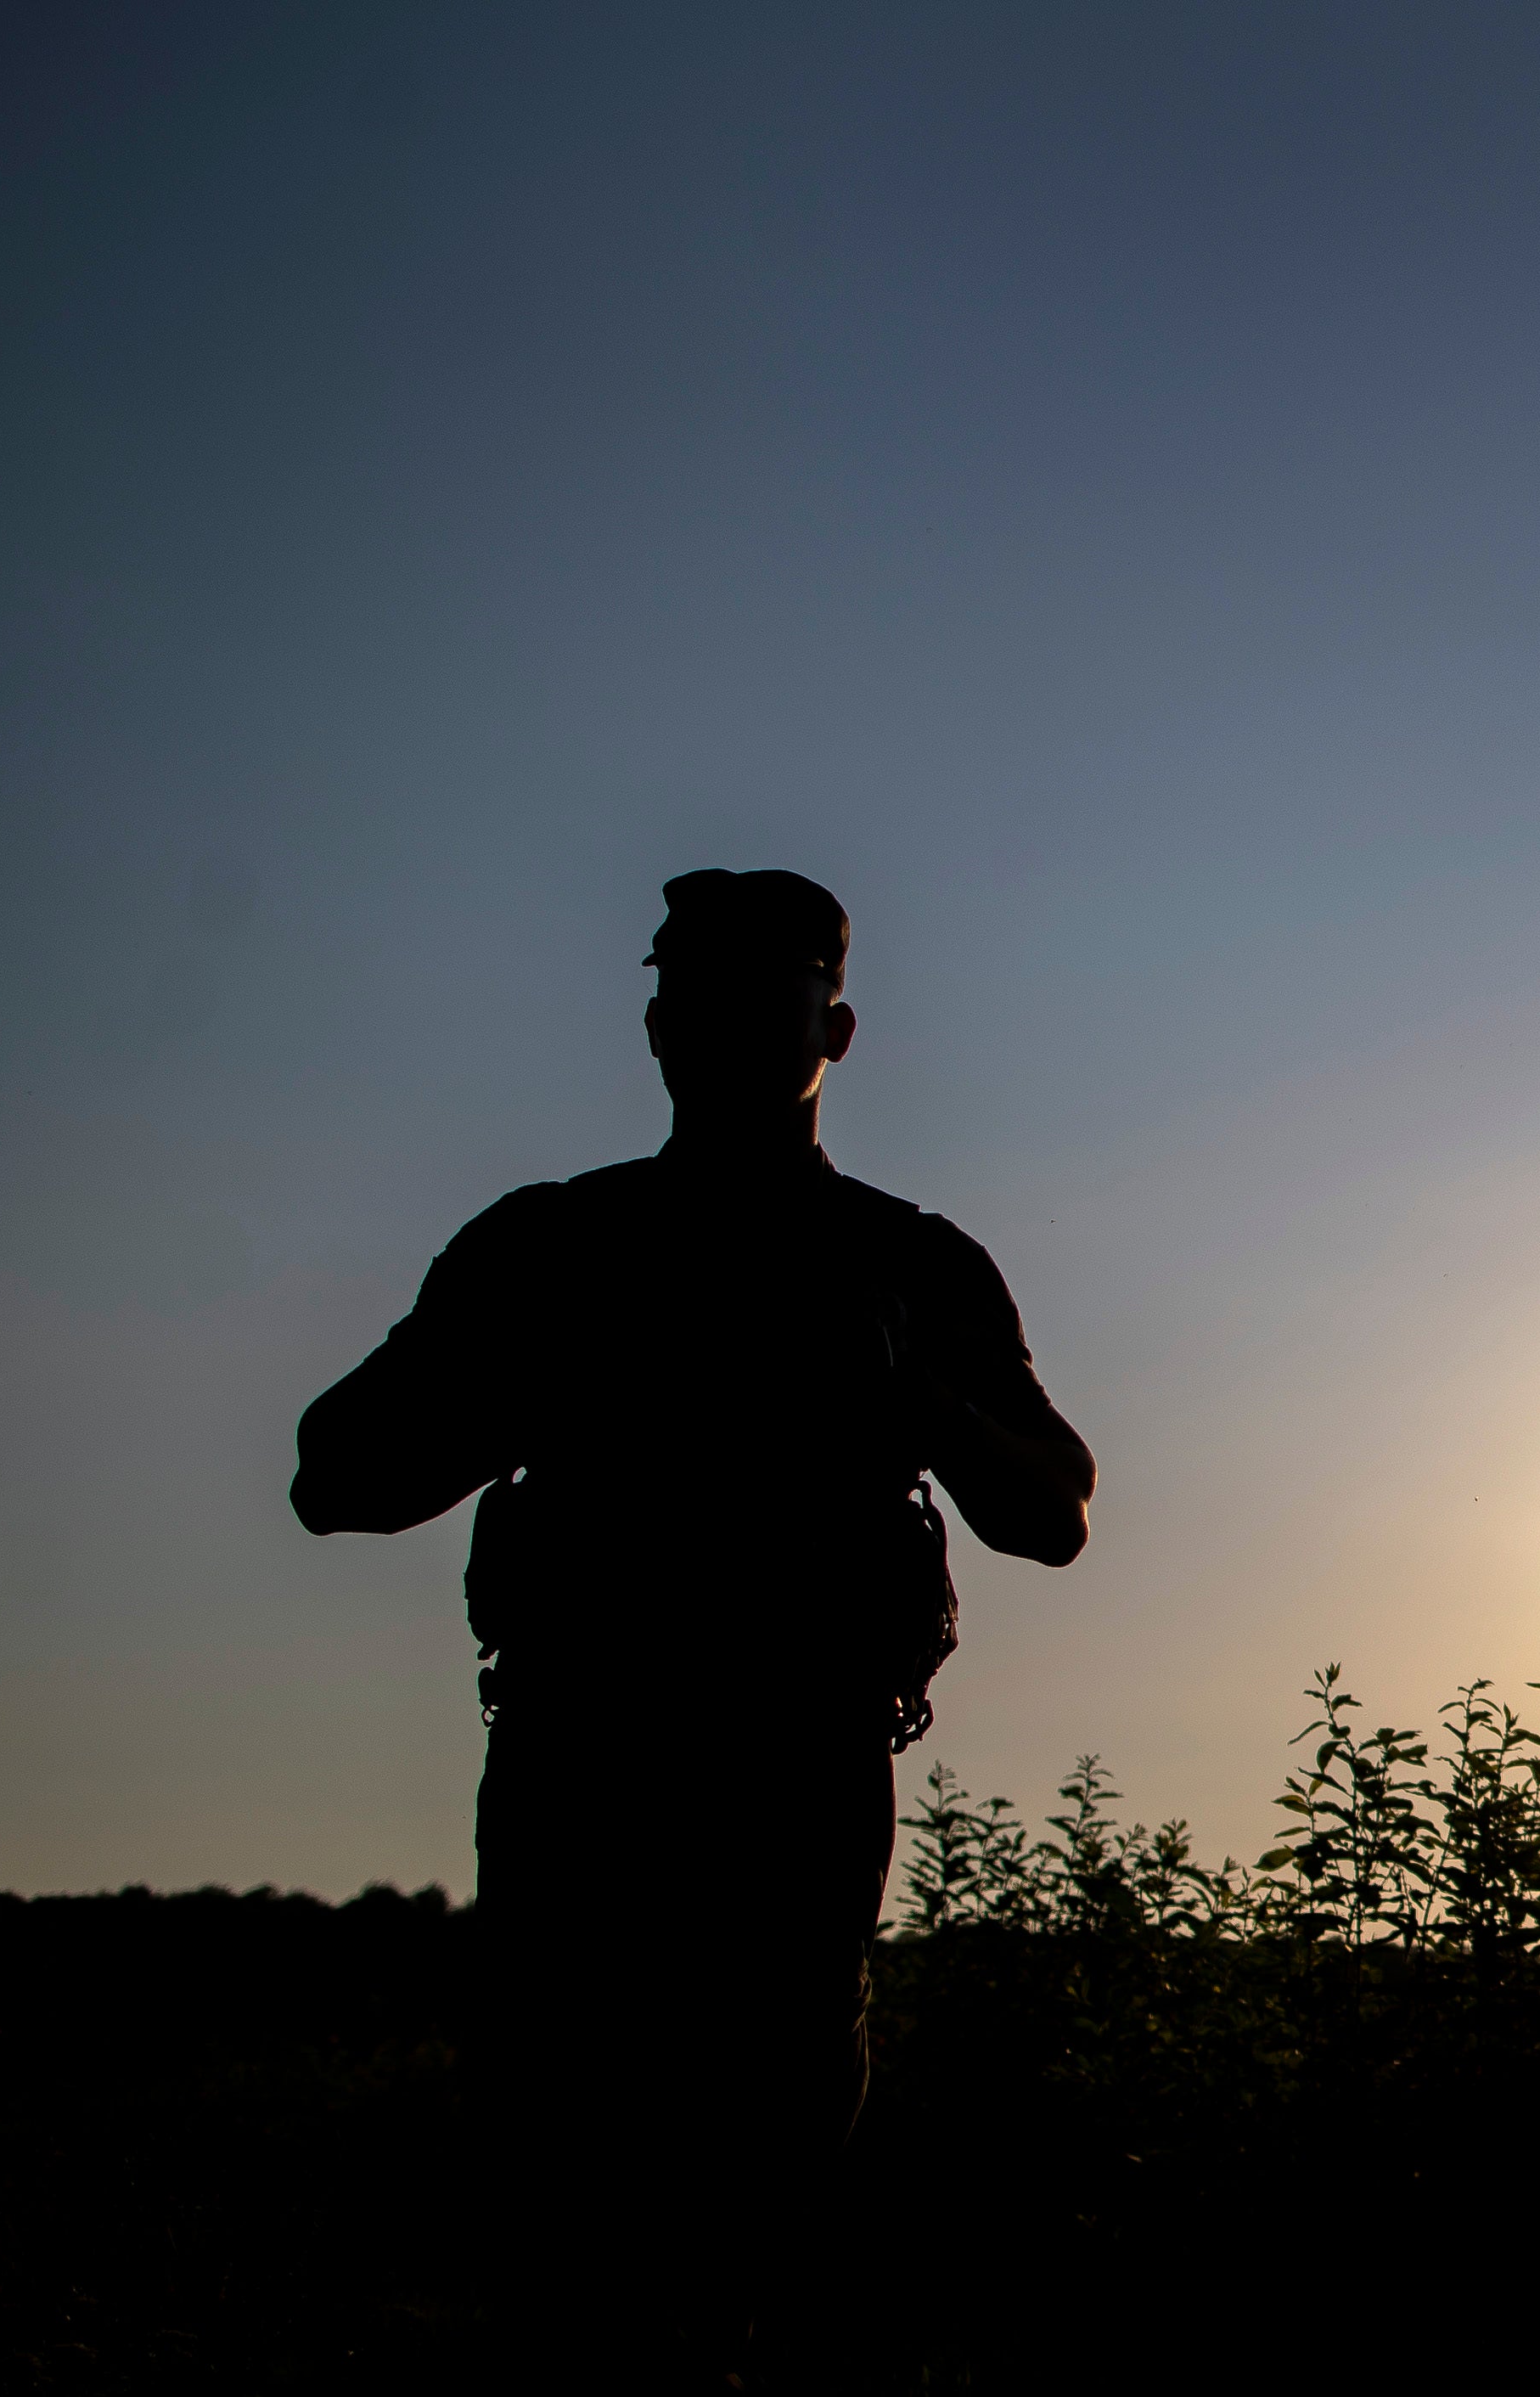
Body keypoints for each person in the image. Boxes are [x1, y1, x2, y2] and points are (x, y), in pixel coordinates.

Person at [290, 869, 1094, 2383]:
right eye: (689, 997)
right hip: (586, 1761)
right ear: (654, 1025)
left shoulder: (909, 1262)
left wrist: (909, 1395)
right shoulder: (549, 1247)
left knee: (774, 2139)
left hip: (797, 1767)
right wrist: (533, 1376)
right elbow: (336, 1477)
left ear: (834, 1029)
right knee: (562, 2144)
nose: (714, 1026)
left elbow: (1052, 1507)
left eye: (761, 999)